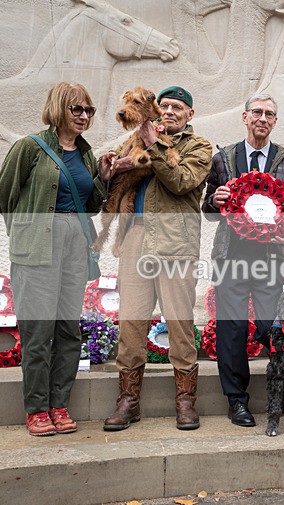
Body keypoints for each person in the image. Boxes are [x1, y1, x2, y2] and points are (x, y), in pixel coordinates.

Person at [0, 82, 107, 436]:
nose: (84, 116)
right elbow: (2, 197)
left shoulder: (87, 155)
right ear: (59, 109)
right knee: (38, 332)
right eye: (77, 109)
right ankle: (37, 409)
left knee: (68, 331)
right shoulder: (29, 147)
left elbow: (90, 206)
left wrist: (104, 179)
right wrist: (28, 233)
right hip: (37, 251)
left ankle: (59, 404)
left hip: (75, 250)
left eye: (88, 110)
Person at [102, 86, 212, 432]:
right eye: (164, 105)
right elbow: (115, 170)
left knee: (180, 324)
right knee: (130, 322)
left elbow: (181, 181)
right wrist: (111, 165)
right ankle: (128, 401)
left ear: (190, 114)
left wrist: (153, 146)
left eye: (178, 107)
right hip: (135, 237)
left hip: (175, 243)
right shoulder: (138, 136)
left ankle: (185, 402)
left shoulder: (198, 146)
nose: (169, 111)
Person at [202, 93, 284, 427]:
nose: (263, 118)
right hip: (230, 256)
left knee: (269, 326)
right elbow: (208, 209)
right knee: (231, 329)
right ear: (245, 117)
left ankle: (280, 387)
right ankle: (237, 400)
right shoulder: (223, 159)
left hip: (269, 258)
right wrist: (215, 200)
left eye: (269, 114)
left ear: (275, 121)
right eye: (257, 112)